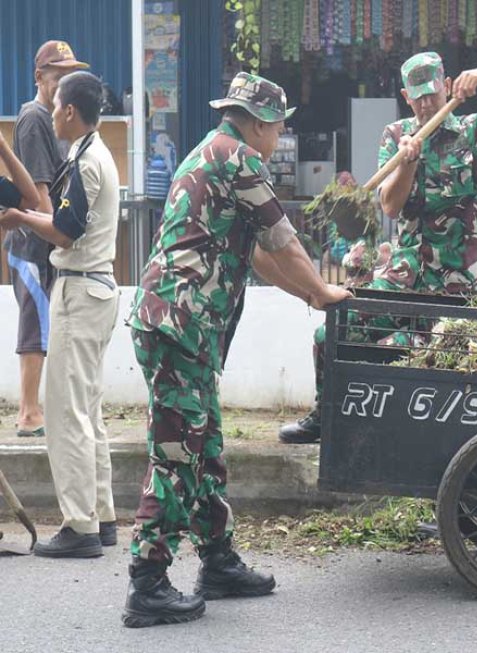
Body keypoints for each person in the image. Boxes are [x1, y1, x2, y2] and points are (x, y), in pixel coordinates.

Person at [122, 72, 351, 628]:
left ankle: (218, 562)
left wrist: (311, 296)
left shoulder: (208, 153)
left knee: (205, 443)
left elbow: (261, 259)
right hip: (181, 324)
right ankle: (146, 582)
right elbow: (284, 240)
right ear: (259, 124)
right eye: (278, 128)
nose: (278, 139)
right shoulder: (239, 159)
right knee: (178, 453)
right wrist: (322, 290)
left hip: (177, 324)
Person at [279, 51, 477, 444]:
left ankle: (387, 434)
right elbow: (389, 205)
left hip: (452, 291)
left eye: (432, 94)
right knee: (331, 334)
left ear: (447, 87)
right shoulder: (395, 136)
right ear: (405, 95)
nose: (426, 103)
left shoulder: (473, 131)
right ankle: (325, 416)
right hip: (402, 279)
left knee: (397, 350)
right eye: (417, 97)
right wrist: (408, 162)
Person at [0, 71, 121, 559]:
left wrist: (20, 219)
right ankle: (102, 516)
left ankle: (80, 527)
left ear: (70, 111)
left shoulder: (89, 161)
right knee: (87, 411)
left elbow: (65, 231)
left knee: (67, 415)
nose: (50, 114)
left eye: (56, 107)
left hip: (81, 289)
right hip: (94, 289)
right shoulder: (91, 153)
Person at [5, 40, 89, 439]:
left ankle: (39, 408)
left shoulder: (58, 118)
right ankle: (27, 412)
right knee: (35, 324)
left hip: (45, 239)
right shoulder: (35, 117)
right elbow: (38, 189)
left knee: (45, 324)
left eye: (69, 75)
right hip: (33, 242)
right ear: (40, 77)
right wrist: (54, 232)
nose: (64, 81)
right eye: (58, 75)